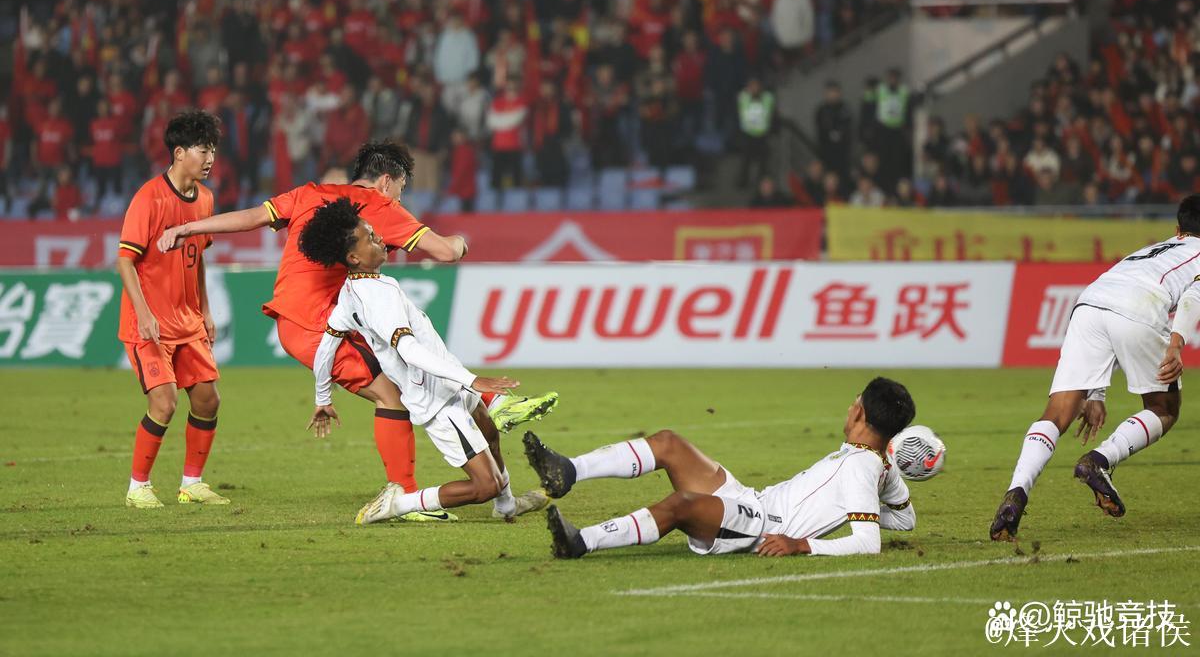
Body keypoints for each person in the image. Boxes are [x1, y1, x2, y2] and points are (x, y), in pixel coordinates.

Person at [156, 141, 557, 514]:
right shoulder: (379, 208)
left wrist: (188, 228)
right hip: (317, 323)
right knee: (394, 394)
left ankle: (486, 460)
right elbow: (446, 251)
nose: (399, 199)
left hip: (301, 320)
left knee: (407, 374)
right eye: (400, 189)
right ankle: (403, 497)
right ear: (386, 181)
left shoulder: (311, 193)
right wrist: (462, 241)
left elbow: (251, 217)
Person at [300, 198, 548, 524]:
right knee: (484, 485)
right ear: (353, 257)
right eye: (370, 238)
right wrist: (472, 379)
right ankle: (400, 504)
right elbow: (409, 350)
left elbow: (327, 346)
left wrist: (322, 398)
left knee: (489, 432)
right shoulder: (379, 297)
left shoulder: (352, 290)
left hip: (446, 379)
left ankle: (507, 506)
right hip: (436, 397)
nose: (380, 239)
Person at [990, 194, 1200, 541]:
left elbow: (1111, 311)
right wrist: (1176, 344)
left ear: (1178, 229)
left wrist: (1096, 393)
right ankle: (1099, 460)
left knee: (1058, 412)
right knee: (1164, 408)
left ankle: (1018, 490)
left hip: (1089, 303)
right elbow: (1194, 296)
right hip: (1141, 307)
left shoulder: (1153, 250)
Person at [526, 377, 916, 559]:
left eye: (853, 403)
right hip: (751, 501)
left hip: (760, 527)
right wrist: (868, 498)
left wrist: (802, 544)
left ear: (860, 412)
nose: (849, 408)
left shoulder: (860, 468)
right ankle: (568, 470)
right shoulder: (875, 463)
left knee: (682, 505)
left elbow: (867, 543)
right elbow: (904, 519)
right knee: (668, 443)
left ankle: (582, 542)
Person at [117, 110, 228, 508]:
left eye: (212, 150)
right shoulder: (149, 198)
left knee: (208, 400)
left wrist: (206, 310)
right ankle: (138, 487)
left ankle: (191, 484)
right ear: (179, 153)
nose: (210, 158)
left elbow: (197, 259)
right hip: (150, 324)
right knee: (164, 403)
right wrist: (144, 313)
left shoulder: (206, 199)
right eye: (202, 150)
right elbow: (125, 261)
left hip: (189, 321)